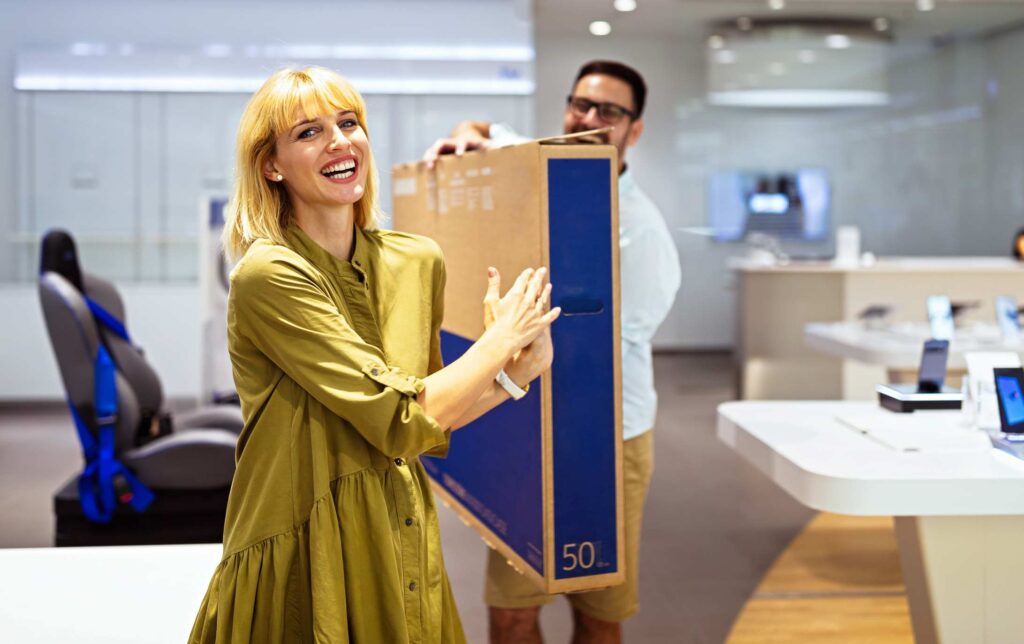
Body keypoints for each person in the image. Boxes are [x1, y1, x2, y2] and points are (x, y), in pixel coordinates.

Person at [189, 66, 561, 644]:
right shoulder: (270, 274)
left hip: (398, 525)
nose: (340, 142)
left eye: (349, 123)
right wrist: (497, 343)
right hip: (303, 536)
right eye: (308, 132)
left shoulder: (417, 261)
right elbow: (394, 414)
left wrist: (515, 375)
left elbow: (426, 416)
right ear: (271, 165)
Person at [424, 60, 681, 643]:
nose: (589, 119)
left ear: (634, 130)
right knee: (510, 613)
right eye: (580, 105)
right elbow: (485, 128)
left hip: (607, 440)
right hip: (533, 429)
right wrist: (468, 134)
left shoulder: (639, 231)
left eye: (609, 112)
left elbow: (621, 343)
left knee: (598, 613)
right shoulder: (543, 162)